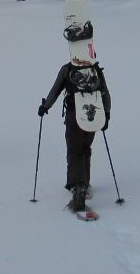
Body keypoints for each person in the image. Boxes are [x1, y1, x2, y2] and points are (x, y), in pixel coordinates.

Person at [38, 58, 110, 211]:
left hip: (73, 116)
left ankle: (77, 185)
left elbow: (55, 90)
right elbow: (105, 93)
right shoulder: (95, 70)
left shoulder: (67, 69)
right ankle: (84, 182)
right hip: (92, 116)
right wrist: (106, 116)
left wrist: (45, 107)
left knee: (74, 149)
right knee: (85, 148)